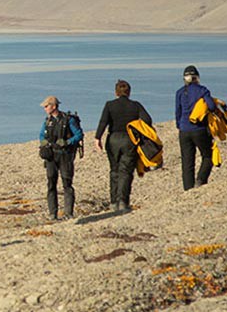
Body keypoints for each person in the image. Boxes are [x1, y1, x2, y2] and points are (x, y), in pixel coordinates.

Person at [94, 80, 152, 214]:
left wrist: (98, 138)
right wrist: (137, 130)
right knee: (126, 171)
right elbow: (147, 120)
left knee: (114, 170)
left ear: (116, 92)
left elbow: (103, 121)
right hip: (129, 139)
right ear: (129, 92)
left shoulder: (110, 105)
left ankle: (113, 202)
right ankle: (123, 201)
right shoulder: (135, 105)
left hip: (113, 139)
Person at [38, 96, 83, 220]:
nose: (45, 109)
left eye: (46, 106)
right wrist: (43, 142)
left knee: (67, 184)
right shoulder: (47, 121)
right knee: (51, 184)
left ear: (54, 106)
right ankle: (53, 213)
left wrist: (67, 142)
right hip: (51, 156)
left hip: (65, 156)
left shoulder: (68, 120)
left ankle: (68, 213)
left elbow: (79, 134)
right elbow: (41, 134)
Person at [175, 65, 219, 190]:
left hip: (184, 130)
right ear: (197, 77)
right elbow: (211, 106)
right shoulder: (202, 90)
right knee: (207, 155)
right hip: (199, 129)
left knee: (187, 161)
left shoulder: (179, 92)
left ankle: (188, 188)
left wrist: (180, 125)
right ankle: (200, 179)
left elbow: (177, 112)